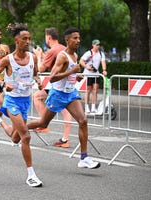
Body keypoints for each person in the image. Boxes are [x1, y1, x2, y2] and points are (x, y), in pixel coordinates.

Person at [27, 27, 101, 169]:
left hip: (71, 93)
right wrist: (72, 72)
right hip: (58, 95)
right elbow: (53, 78)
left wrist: (75, 76)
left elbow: (68, 74)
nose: (78, 41)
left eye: (79, 38)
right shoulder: (62, 56)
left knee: (83, 120)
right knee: (43, 123)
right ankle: (20, 129)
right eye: (75, 38)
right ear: (67, 40)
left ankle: (84, 158)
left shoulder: (75, 55)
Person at [0, 23, 43, 187]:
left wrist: (38, 81)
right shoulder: (8, 59)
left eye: (29, 38)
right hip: (12, 100)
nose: (28, 41)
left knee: (15, 138)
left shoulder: (33, 57)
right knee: (26, 136)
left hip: (25, 101)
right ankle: (31, 175)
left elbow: (36, 74)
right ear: (16, 40)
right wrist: (3, 85)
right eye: (24, 39)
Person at [32, 27, 72, 148]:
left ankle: (44, 124)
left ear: (48, 37)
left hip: (57, 84)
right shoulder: (62, 48)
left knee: (37, 97)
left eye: (45, 37)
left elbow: (40, 68)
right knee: (65, 109)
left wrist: (38, 56)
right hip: (66, 83)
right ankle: (64, 137)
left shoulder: (52, 50)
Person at [79, 39, 107, 113]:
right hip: (87, 74)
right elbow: (81, 61)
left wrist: (104, 70)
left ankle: (93, 107)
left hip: (96, 74)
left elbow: (103, 62)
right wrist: (86, 67)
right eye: (96, 45)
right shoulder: (89, 53)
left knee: (95, 90)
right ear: (93, 45)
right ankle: (86, 107)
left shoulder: (101, 53)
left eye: (99, 45)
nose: (98, 46)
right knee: (88, 91)